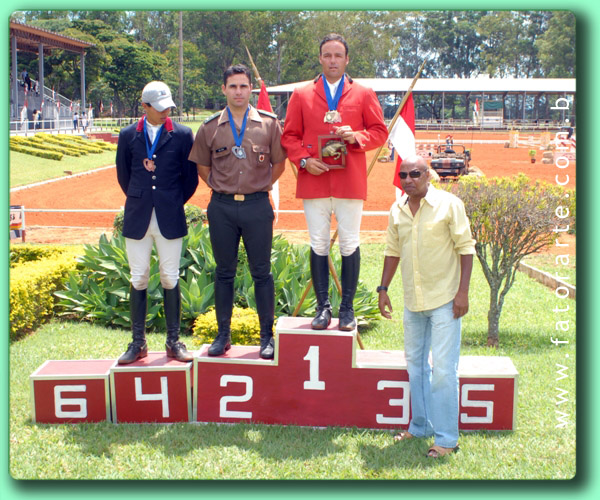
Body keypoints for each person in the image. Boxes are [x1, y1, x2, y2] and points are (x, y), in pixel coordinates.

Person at [281, 33, 387, 332]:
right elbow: (288, 136)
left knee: (349, 243)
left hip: (348, 181)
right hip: (314, 181)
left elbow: (379, 131)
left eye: (338, 55)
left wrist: (358, 136)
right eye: (327, 55)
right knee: (318, 243)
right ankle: (323, 307)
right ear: (320, 58)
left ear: (347, 59)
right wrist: (303, 160)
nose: (332, 60)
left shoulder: (364, 93)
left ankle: (347, 308)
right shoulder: (301, 95)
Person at [377, 155, 475, 458]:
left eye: (415, 174)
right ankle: (420, 426)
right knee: (416, 367)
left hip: (445, 300)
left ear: (428, 175)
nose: (408, 180)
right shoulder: (397, 210)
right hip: (412, 301)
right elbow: (393, 250)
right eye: (403, 175)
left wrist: (462, 293)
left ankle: (447, 439)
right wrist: (383, 288)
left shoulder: (449, 205)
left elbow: (466, 248)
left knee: (444, 371)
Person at [188, 64, 286, 359]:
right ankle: (222, 336)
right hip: (222, 208)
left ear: (251, 90)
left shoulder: (268, 124)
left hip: (257, 206)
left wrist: (260, 186)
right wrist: (222, 186)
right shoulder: (209, 128)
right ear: (224, 90)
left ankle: (266, 337)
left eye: (244, 86)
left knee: (262, 273)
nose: (239, 91)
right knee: (224, 273)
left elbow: (279, 163)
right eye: (233, 86)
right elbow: (203, 167)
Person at [116, 81, 199, 364]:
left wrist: (172, 200)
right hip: (138, 215)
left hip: (170, 215)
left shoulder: (183, 134)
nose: (166, 113)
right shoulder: (128, 135)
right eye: (160, 108)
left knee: (170, 276)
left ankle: (173, 341)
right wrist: (142, 199)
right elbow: (123, 176)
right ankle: (138, 342)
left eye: (168, 108)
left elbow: (190, 179)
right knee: (138, 277)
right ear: (145, 107)